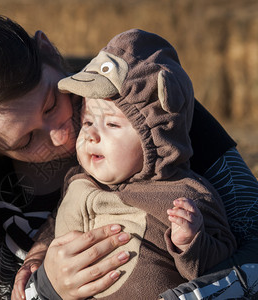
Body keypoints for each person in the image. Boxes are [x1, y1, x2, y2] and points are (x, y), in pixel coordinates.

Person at [0, 14, 257, 300]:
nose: (64, 133)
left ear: (48, 50)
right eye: (26, 142)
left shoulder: (137, 97)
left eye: (52, 102)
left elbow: (253, 229)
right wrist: (47, 289)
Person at [50, 29, 237, 299]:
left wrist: (190, 242)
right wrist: (39, 257)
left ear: (157, 135)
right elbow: (52, 228)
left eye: (112, 124)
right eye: (88, 122)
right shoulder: (76, 181)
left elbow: (227, 266)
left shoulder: (183, 196)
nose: (91, 134)